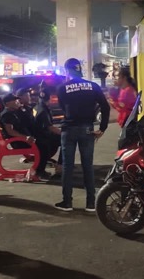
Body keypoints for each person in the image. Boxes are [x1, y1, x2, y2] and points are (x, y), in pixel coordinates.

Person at [55, 58, 111, 212]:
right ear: (80, 69)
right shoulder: (93, 86)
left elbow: (63, 109)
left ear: (67, 71)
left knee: (68, 166)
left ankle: (67, 202)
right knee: (88, 165)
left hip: (69, 129)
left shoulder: (62, 88)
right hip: (88, 129)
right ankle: (91, 203)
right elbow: (105, 107)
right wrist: (103, 128)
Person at [34, 83, 62, 179]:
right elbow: (50, 127)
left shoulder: (38, 106)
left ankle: (59, 164)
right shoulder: (43, 110)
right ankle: (60, 166)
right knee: (66, 140)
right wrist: (63, 133)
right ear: (50, 97)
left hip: (39, 134)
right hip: (42, 137)